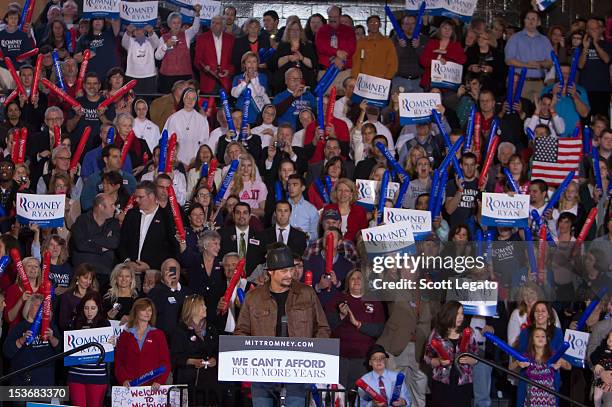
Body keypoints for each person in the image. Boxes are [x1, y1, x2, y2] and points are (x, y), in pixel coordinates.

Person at [234, 244, 331, 407]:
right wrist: (251, 358)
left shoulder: (307, 293)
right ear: (270, 272)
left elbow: (322, 328)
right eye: (283, 271)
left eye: (291, 270)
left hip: (298, 370)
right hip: (263, 371)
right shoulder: (253, 297)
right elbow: (241, 331)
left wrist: (312, 353)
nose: (289, 275)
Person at [325, 270, 385, 391]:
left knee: (359, 396)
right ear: (348, 283)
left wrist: (358, 324)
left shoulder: (375, 301)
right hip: (339, 357)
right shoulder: (338, 299)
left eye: (359, 278)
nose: (356, 281)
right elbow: (327, 326)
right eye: (353, 278)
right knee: (338, 395)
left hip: (362, 358)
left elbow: (379, 330)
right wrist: (341, 316)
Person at [425, 301, 478, 407]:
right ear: (448, 314)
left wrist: (470, 359)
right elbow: (427, 358)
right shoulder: (437, 333)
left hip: (463, 383)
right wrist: (439, 361)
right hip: (442, 383)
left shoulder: (468, 332)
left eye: (462, 313)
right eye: (457, 314)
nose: (460, 317)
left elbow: (476, 356)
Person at [171, 294, 221, 405]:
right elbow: (175, 358)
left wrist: (215, 359)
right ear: (193, 309)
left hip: (210, 383)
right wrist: (192, 361)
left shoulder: (211, 329)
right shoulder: (180, 331)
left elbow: (218, 349)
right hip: (189, 381)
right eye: (202, 305)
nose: (206, 308)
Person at [3, 294, 61, 386]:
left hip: (45, 378)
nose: (42, 309)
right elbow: (7, 352)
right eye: (38, 306)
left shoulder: (51, 327)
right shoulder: (19, 328)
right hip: (22, 379)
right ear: (29, 307)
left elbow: (60, 349)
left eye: (44, 307)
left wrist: (52, 338)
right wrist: (21, 340)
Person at [119, 181, 178, 270]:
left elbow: (171, 248)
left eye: (140, 197)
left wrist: (150, 266)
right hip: (129, 271)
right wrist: (127, 261)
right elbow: (122, 241)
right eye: (136, 197)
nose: (137, 200)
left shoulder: (166, 217)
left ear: (151, 196)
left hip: (154, 273)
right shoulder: (131, 215)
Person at [114, 298, 171, 389]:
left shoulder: (158, 334)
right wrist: (124, 380)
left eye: (150, 310)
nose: (148, 313)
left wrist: (159, 381)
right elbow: (119, 362)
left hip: (153, 386)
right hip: (130, 386)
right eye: (144, 310)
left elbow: (165, 362)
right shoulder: (125, 335)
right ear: (136, 311)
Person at [67, 291, 111, 407]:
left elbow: (109, 354)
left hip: (97, 376)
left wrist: (112, 344)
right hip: (76, 374)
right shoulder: (75, 322)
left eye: (93, 308)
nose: (89, 312)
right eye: (86, 308)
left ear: (98, 308)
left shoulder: (105, 324)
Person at [510, 327, 571, 406]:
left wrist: (561, 363)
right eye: (537, 336)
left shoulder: (552, 355)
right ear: (532, 341)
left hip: (549, 399)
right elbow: (510, 368)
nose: (540, 338)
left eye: (543, 336)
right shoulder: (527, 356)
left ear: (546, 341)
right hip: (531, 398)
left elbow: (569, 367)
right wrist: (518, 363)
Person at [70, 193, 120, 288]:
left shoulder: (113, 223)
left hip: (105, 274)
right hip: (83, 272)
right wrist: (102, 247)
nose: (115, 208)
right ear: (101, 206)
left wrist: (90, 239)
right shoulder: (82, 220)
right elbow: (80, 245)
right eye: (111, 205)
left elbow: (114, 243)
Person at [504, 10, 554, 101]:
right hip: (519, 82)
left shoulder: (545, 40)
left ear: (538, 22)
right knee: (520, 111)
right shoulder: (515, 38)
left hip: (540, 83)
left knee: (539, 113)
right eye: (528, 18)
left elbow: (551, 62)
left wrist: (540, 63)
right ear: (524, 21)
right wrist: (528, 65)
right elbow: (509, 60)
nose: (531, 21)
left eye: (534, 19)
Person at [154, 7, 202, 94]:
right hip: (167, 77)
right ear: (169, 24)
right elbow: (157, 57)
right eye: (174, 23)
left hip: (184, 75)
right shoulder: (163, 38)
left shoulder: (187, 35)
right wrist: (166, 46)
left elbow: (195, 28)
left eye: (178, 23)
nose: (176, 25)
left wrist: (197, 14)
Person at [66, 72, 116, 152]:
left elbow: (112, 130)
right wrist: (77, 116)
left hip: (101, 148)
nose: (92, 86)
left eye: (95, 83)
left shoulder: (108, 103)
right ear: (84, 86)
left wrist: (102, 116)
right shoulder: (77, 102)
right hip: (79, 148)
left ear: (99, 86)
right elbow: (69, 128)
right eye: (89, 83)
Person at [80, 145, 137, 212]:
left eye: (120, 157)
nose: (119, 160)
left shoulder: (130, 179)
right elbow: (86, 204)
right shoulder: (94, 179)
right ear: (106, 159)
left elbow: (136, 200)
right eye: (115, 157)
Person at [163, 88, 210, 166]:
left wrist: (197, 159)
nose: (190, 101)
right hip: (176, 160)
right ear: (183, 99)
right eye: (188, 98)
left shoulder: (202, 119)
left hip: (195, 160)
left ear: (196, 101)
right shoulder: (173, 118)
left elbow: (204, 142)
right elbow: (167, 140)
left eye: (193, 98)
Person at [147, 258, 192, 342]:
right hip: (162, 339)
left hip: (183, 341)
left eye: (175, 269)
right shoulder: (155, 292)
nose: (172, 273)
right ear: (162, 273)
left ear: (179, 272)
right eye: (168, 270)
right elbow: (153, 311)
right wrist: (168, 287)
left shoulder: (188, 292)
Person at [315, 5, 356, 94]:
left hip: (344, 73)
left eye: (335, 17)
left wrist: (340, 58)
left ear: (340, 17)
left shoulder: (349, 31)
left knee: (345, 102)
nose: (332, 19)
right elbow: (321, 46)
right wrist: (336, 53)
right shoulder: (321, 30)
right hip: (326, 73)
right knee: (325, 101)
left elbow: (351, 48)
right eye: (330, 17)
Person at [219, 202, 266, 276]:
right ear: (233, 216)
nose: (241, 216)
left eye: (245, 213)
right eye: (238, 213)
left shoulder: (260, 237)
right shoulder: (222, 235)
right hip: (228, 280)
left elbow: (263, 261)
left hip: (253, 281)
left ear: (250, 216)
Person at [418, 19, 467, 91]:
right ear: (440, 29)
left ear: (453, 31)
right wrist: (436, 62)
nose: (447, 30)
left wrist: (446, 53)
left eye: (450, 29)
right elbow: (422, 61)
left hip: (449, 84)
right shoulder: (432, 42)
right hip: (430, 82)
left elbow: (463, 59)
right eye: (445, 28)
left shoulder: (456, 45)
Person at [578, 17, 612, 118]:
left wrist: (596, 44)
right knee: (586, 118)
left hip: (602, 89)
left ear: (601, 29)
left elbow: (606, 59)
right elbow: (580, 65)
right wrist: (585, 48)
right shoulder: (582, 46)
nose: (592, 31)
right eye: (589, 29)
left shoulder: (608, 45)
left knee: (601, 118)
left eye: (595, 29)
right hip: (585, 89)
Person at [273, 18, 318, 93]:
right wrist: (288, 58)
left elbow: (313, 64)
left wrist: (301, 58)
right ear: (288, 31)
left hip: (305, 75)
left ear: (301, 31)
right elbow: (277, 64)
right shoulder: (283, 45)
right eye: (292, 30)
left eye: (297, 29)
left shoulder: (307, 45)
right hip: (285, 76)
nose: (295, 32)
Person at [194, 15, 235, 94]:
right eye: (212, 23)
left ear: (223, 26)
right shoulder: (201, 38)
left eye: (217, 23)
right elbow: (197, 60)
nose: (214, 25)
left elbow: (234, 60)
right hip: (208, 80)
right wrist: (204, 68)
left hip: (225, 80)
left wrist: (229, 70)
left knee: (224, 105)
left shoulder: (231, 39)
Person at [74, 17, 121, 83]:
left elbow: (116, 21)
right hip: (92, 79)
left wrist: (108, 16)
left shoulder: (110, 33)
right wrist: (86, 57)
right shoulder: (84, 38)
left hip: (111, 78)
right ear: (91, 21)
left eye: (100, 19)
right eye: (95, 19)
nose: (98, 21)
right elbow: (76, 58)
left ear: (104, 21)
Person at [351, 15, 398, 80]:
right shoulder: (361, 42)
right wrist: (355, 77)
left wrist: (387, 78)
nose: (373, 25)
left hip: (381, 81)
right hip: (364, 80)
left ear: (380, 25)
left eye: (376, 23)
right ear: (367, 25)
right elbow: (356, 62)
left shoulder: (387, 43)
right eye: (371, 23)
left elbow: (393, 63)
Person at [231, 51, 270, 125]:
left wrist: (253, 79)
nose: (251, 64)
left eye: (254, 62)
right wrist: (245, 82)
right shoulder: (237, 77)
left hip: (257, 114)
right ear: (244, 64)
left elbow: (260, 92)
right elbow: (234, 94)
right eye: (249, 62)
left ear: (257, 64)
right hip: (241, 115)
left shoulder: (262, 77)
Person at [323, 178, 368, 242]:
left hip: (353, 247)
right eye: (340, 190)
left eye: (346, 190)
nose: (343, 193)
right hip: (331, 244)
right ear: (335, 192)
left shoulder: (360, 211)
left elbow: (363, 233)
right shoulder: (328, 209)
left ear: (351, 194)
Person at [392, 14, 427, 93]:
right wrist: (400, 47)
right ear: (402, 26)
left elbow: (426, 61)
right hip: (399, 80)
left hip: (418, 82)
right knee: (398, 105)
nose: (410, 26)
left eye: (413, 23)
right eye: (407, 24)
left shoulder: (424, 39)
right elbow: (392, 60)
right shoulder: (394, 39)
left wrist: (418, 47)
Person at [57, 263, 97, 332]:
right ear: (78, 277)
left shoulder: (94, 296)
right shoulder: (67, 297)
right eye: (85, 278)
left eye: (90, 279)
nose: (88, 282)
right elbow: (63, 323)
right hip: (73, 334)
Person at [5, 256, 42, 328]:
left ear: (39, 271)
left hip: (38, 330)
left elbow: (49, 318)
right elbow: (9, 318)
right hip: (17, 331)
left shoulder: (44, 289)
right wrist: (21, 300)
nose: (33, 268)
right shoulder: (13, 289)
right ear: (22, 270)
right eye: (29, 266)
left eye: (36, 266)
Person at [121, 24, 159, 94]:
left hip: (149, 75)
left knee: (149, 99)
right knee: (133, 98)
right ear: (133, 32)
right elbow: (124, 42)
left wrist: (150, 31)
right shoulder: (130, 42)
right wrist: (128, 31)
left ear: (145, 30)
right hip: (132, 75)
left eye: (141, 29)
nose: (138, 31)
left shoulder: (150, 42)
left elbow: (156, 42)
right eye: (136, 29)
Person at [590, 330, 612, 407]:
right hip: (600, 376)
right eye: (609, 337)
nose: (610, 340)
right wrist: (597, 364)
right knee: (596, 397)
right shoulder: (601, 349)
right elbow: (593, 356)